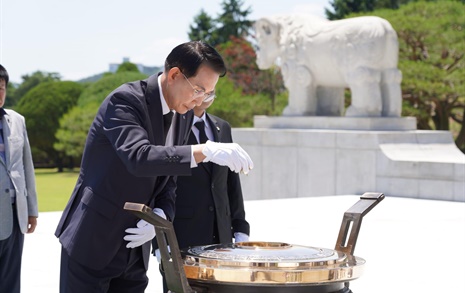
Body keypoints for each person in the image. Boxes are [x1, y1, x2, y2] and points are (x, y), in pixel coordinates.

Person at [54, 41, 253, 293]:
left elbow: (170, 180)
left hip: (136, 250)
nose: (200, 100)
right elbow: (140, 156)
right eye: (198, 90)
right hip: (94, 241)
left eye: (208, 94)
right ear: (174, 75)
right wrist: (204, 150)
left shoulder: (185, 114)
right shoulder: (125, 101)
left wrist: (160, 215)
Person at [156, 98, 250, 293]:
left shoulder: (222, 127)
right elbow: (156, 182)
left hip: (221, 236)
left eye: (213, 88)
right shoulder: (170, 126)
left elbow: (231, 182)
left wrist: (240, 226)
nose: (208, 93)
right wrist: (158, 242)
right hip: (182, 236)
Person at [0, 64, 39, 293]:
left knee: (11, 281)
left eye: (1, 88)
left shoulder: (17, 120)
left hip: (15, 215)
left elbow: (27, 167)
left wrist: (32, 210)